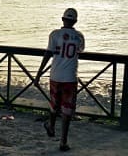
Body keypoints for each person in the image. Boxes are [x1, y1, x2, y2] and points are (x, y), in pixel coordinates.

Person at [34, 8, 85, 152]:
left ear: (62, 19)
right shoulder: (79, 36)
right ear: (75, 21)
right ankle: (63, 142)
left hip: (55, 75)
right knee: (67, 110)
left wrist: (38, 75)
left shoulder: (54, 34)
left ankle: (51, 125)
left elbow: (48, 54)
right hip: (70, 77)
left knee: (54, 103)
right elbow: (80, 50)